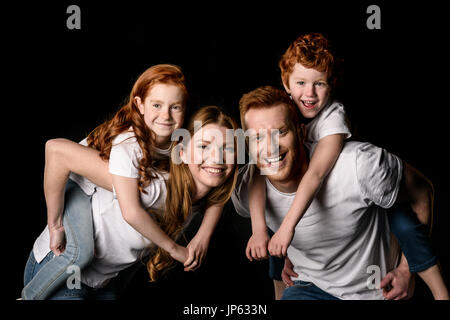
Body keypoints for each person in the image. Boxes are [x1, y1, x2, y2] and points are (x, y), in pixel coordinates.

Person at [244, 33, 448, 300]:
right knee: (275, 208)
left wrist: (287, 229)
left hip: (373, 196)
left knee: (405, 223)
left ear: (332, 84)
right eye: (301, 83)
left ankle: (440, 293)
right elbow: (257, 175)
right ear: (286, 84)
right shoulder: (281, 114)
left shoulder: (332, 121)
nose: (309, 93)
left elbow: (316, 174)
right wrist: (262, 231)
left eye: (319, 84)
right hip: (313, 261)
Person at [21, 66, 237, 299]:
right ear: (140, 105)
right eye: (156, 105)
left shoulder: (172, 148)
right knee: (78, 252)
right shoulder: (133, 153)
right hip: (79, 190)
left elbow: (218, 188)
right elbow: (130, 211)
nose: (165, 115)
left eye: (175, 107)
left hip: (100, 281)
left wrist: (203, 234)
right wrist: (55, 225)